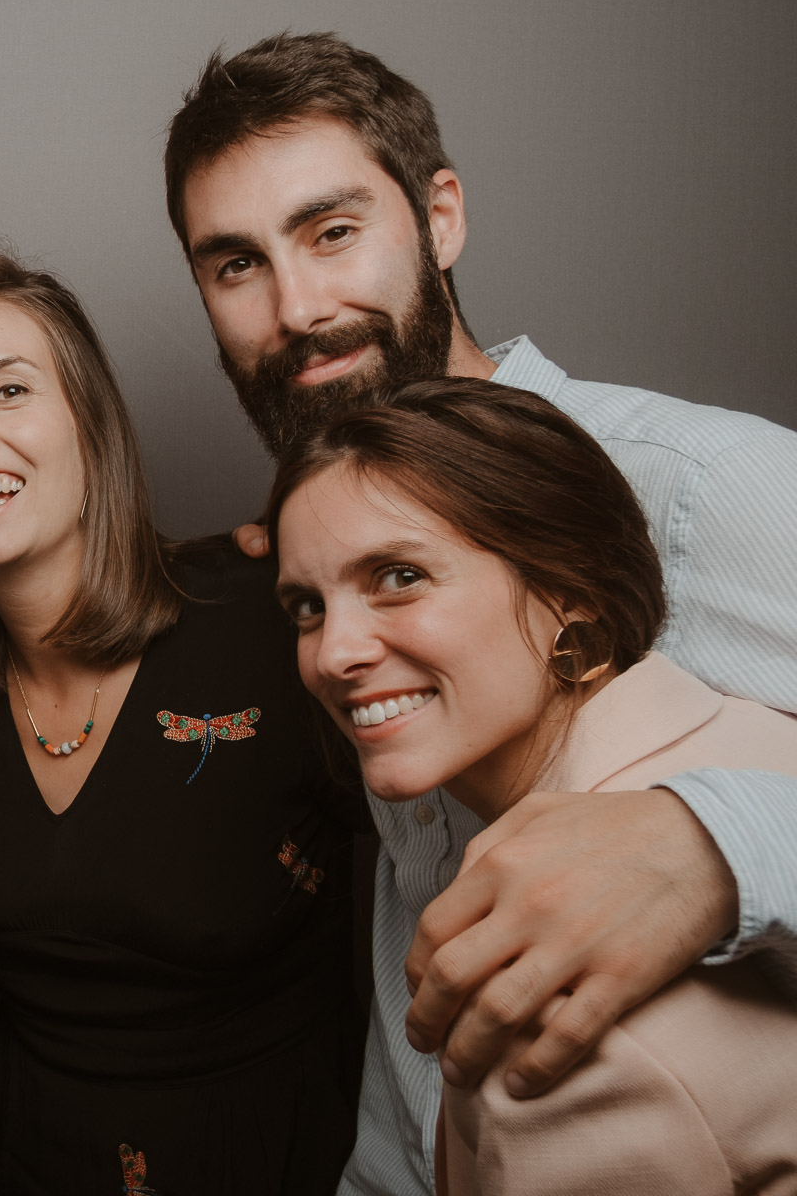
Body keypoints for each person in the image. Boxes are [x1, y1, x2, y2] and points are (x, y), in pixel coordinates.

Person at [163, 30, 797, 1194]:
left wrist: (714, 846)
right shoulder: (332, 574)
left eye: (331, 230)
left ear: (439, 216)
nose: (297, 307)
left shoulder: (706, 486)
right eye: (234, 263)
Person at [0, 247, 363, 1195]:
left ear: (89, 423)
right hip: (27, 1162)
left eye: (8, 391)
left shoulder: (271, 620)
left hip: (277, 1164)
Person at [269, 378, 797, 1193]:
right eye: (307, 605)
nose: (334, 653)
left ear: (569, 591)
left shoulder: (544, 1003)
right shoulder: (756, 733)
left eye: (399, 576)